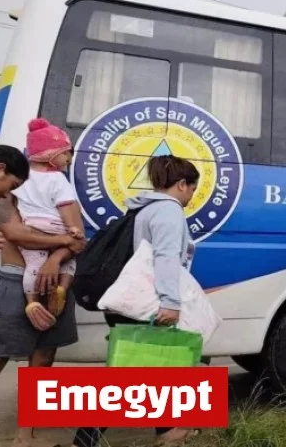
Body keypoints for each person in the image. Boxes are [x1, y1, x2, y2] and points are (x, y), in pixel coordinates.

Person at [72, 155, 202, 447]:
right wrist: (170, 302)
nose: (191, 196)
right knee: (128, 375)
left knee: (155, 367)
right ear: (182, 184)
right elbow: (165, 257)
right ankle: (83, 440)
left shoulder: (142, 208)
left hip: (127, 301)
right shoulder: (168, 211)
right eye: (193, 189)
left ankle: (166, 431)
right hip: (145, 305)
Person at [0, 144, 87, 447]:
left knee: (44, 358)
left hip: (56, 281)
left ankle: (25, 437)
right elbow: (16, 234)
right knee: (1, 354)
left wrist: (55, 258)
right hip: (15, 279)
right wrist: (64, 240)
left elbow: (79, 240)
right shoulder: (6, 195)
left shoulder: (59, 188)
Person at [12, 119, 84, 328]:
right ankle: (61, 288)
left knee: (33, 266)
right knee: (69, 263)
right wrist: (73, 229)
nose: (69, 159)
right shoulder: (58, 179)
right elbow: (65, 204)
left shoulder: (21, 178)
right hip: (58, 227)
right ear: (51, 155)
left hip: (32, 227)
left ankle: (32, 302)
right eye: (66, 153)